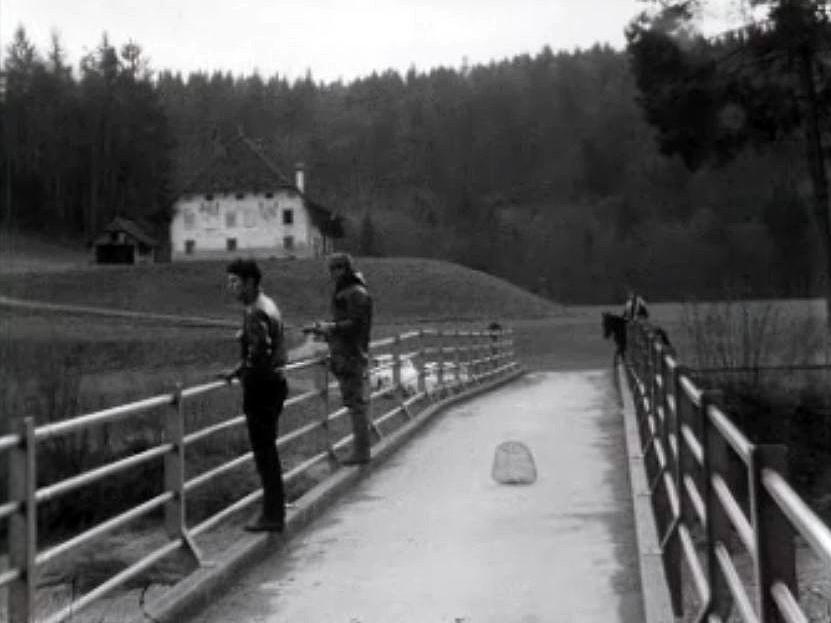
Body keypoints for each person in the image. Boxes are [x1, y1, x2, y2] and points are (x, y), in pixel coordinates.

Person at [220, 259, 289, 532]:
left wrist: (244, 373)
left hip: (263, 388)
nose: (231, 288)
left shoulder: (256, 312)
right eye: (229, 283)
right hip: (274, 384)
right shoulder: (266, 305)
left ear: (250, 282)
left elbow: (259, 355)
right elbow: (260, 352)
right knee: (268, 451)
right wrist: (238, 370)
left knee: (265, 453)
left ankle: (272, 515)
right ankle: (274, 511)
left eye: (235, 282)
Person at [307, 253, 374, 465]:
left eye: (334, 269)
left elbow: (355, 325)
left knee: (355, 404)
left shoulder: (355, 293)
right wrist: (325, 329)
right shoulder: (352, 291)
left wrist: (331, 327)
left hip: (351, 355)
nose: (331, 274)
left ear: (343, 269)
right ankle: (361, 451)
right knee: (354, 403)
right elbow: (346, 324)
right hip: (346, 353)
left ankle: (362, 452)